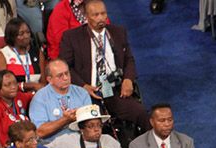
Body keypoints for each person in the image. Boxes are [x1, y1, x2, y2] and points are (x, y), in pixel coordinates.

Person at [59, 0, 149, 132]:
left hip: (115, 90)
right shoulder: (72, 37)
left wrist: (128, 79)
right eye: (95, 15)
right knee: (95, 125)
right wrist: (83, 86)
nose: (101, 18)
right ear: (86, 17)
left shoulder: (118, 32)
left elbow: (129, 59)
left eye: (103, 14)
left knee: (141, 113)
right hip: (88, 93)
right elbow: (66, 67)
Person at [28, 59, 91, 143]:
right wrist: (65, 120)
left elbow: (91, 123)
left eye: (67, 73)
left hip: (82, 143)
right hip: (52, 146)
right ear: (49, 79)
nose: (65, 78)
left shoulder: (82, 93)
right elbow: (40, 132)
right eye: (60, 75)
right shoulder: (40, 98)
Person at [0, 18, 46, 90]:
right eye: (21, 34)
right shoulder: (3, 54)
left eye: (28, 32)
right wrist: (25, 86)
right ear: (12, 36)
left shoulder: (37, 53)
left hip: (35, 96)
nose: (26, 36)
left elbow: (43, 83)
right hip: (13, 96)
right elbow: (1, 84)